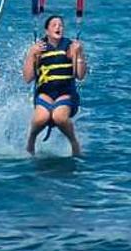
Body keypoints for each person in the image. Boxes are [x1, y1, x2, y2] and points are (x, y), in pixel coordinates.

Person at [23, 13, 86, 155]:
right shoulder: (39, 48)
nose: (59, 28)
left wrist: (79, 54)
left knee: (59, 117)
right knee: (41, 118)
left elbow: (80, 76)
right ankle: (31, 139)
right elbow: (27, 78)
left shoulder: (71, 47)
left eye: (61, 25)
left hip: (66, 93)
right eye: (54, 25)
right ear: (47, 31)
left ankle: (74, 143)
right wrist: (31, 54)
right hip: (44, 94)